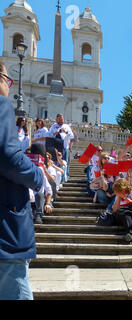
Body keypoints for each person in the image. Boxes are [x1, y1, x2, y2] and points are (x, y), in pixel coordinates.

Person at [0, 61, 44, 300]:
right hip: (5, 233)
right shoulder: (0, 104)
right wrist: (37, 176)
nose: (9, 86)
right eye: (8, 80)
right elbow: (7, 156)